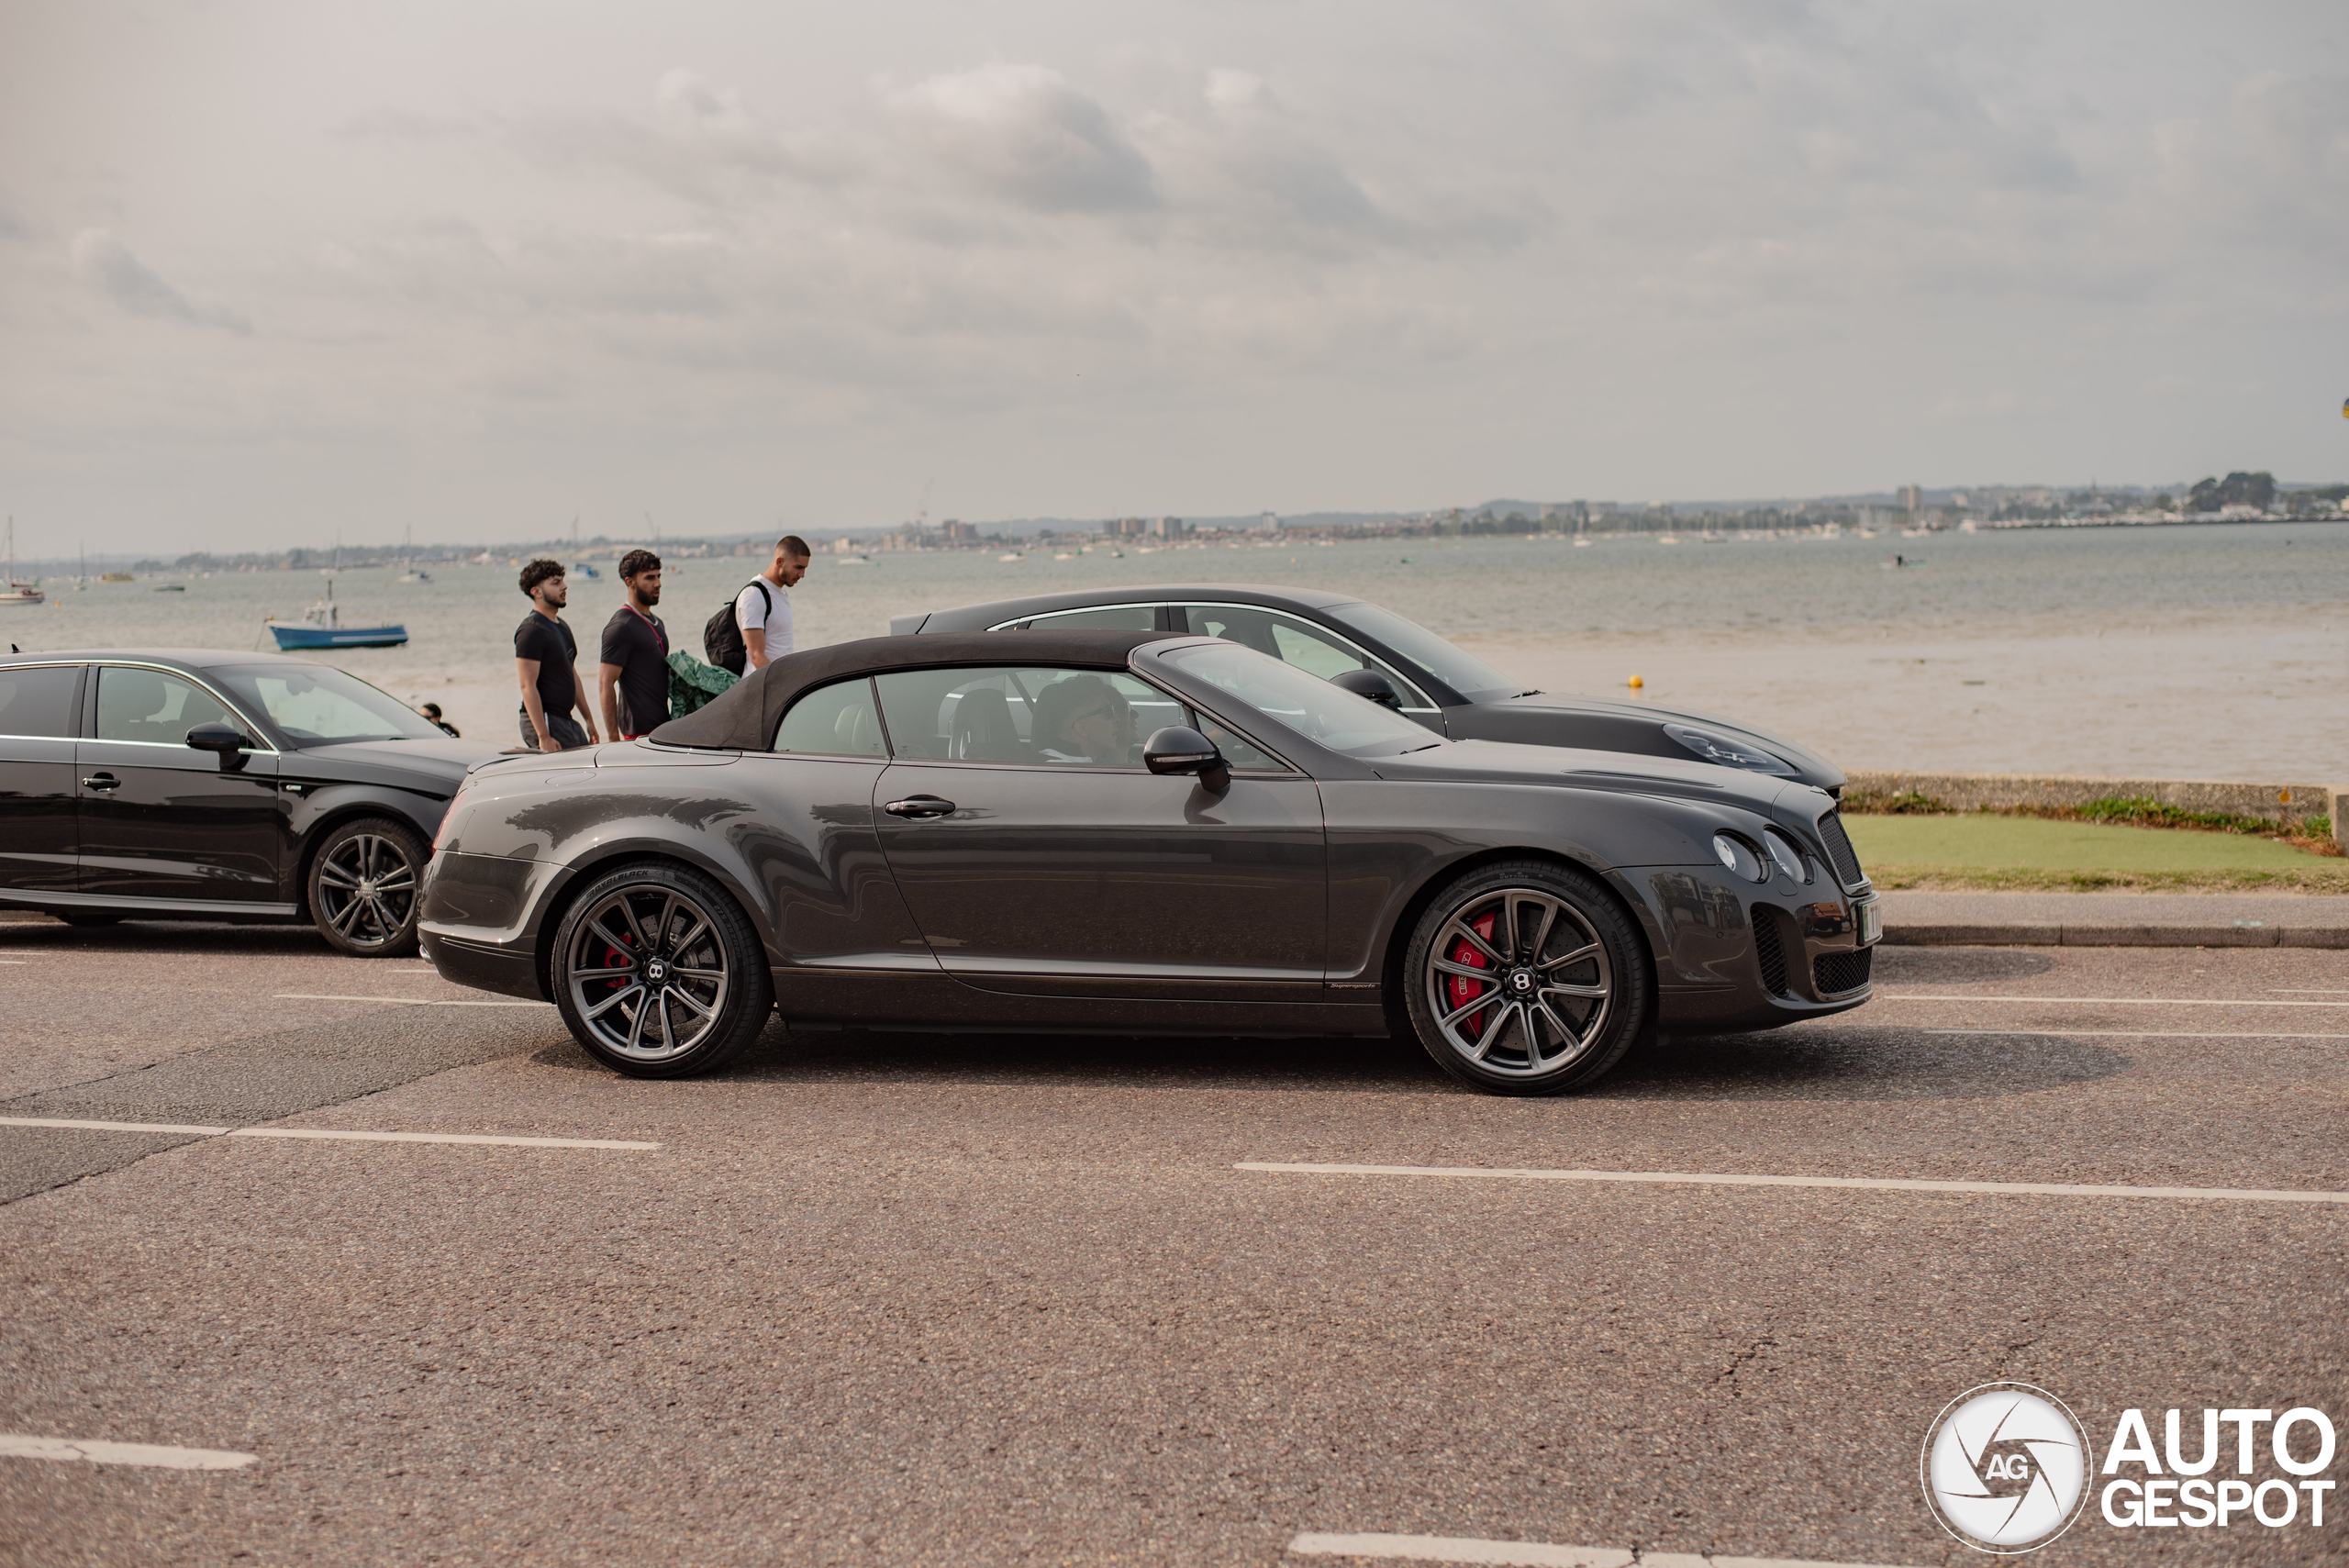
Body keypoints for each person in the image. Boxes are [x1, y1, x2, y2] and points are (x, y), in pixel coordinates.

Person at [515, 558, 599, 752]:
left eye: (562, 580)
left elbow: (572, 675)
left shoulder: (562, 627)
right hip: (545, 720)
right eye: (556, 582)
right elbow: (527, 686)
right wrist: (543, 736)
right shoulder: (531, 629)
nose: (564, 586)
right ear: (536, 592)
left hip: (565, 719)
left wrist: (589, 720)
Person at [599, 549, 670, 741]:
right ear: (630, 582)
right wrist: (613, 738)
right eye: (649, 578)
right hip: (637, 732)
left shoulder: (657, 622)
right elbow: (606, 683)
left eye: (658, 576)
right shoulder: (621, 626)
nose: (657, 584)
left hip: (662, 726)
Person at [735, 534, 811, 670]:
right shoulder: (754, 595)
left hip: (780, 681)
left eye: (805, 568)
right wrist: (781, 685)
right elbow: (756, 656)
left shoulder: (780, 592)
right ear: (779, 562)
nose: (802, 574)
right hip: (763, 686)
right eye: (798, 567)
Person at [1032, 674, 1132, 764]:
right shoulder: (1060, 773)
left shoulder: (1082, 766)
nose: (1117, 719)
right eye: (1108, 712)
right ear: (1082, 728)